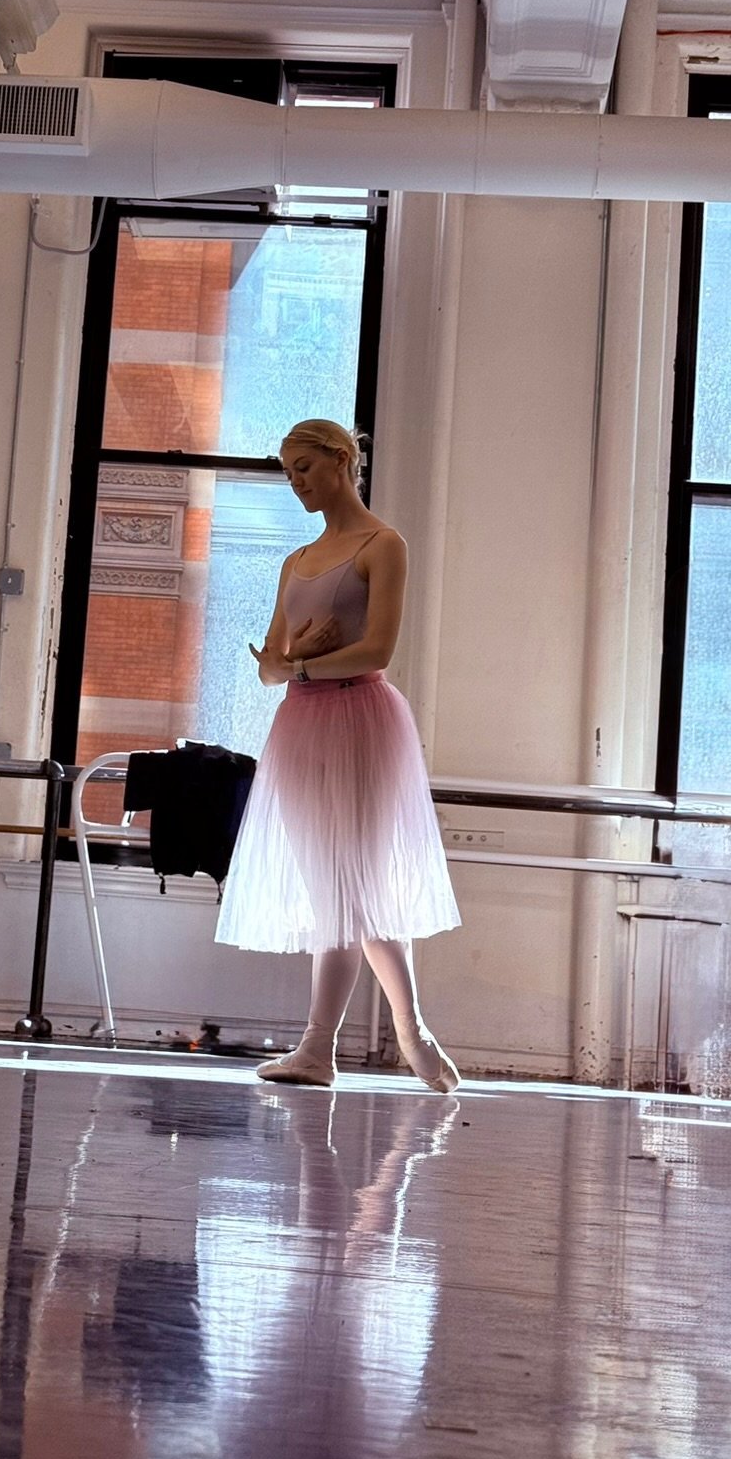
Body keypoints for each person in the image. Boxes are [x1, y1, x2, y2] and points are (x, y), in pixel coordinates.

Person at [215, 418, 461, 1089]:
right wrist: (297, 659)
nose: (295, 482)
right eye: (287, 471)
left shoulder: (384, 545)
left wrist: (298, 664)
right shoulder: (296, 560)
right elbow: (268, 668)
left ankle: (362, 1041)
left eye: (304, 468)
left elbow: (377, 650)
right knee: (337, 890)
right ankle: (373, 1039)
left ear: (342, 462)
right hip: (301, 724)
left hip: (361, 718)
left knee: (357, 887)